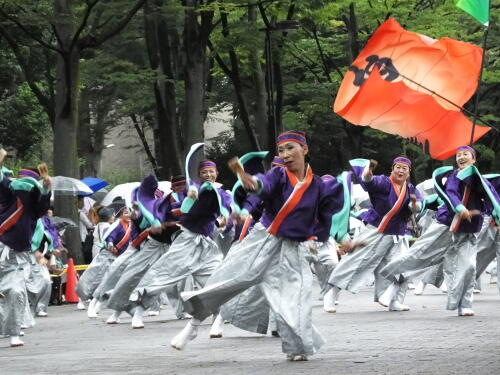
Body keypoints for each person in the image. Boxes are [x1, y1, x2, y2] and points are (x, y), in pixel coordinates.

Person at [171, 131, 346, 361]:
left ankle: (297, 347)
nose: (285, 154)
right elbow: (262, 185)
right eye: (281, 150)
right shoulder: (278, 175)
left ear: (305, 149)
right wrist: (252, 182)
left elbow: (325, 218)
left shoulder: (321, 186)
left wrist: (336, 240)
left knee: (295, 299)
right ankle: (193, 325)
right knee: (229, 278)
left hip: (293, 248)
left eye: (291, 148)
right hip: (263, 238)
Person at [380, 146, 500, 316]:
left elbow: (493, 197)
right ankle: (392, 282)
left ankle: (463, 304)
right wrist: (459, 207)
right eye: (459, 155)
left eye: (466, 154)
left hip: (468, 229)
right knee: (420, 254)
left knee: (469, 267)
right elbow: (451, 193)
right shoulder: (454, 176)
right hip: (445, 224)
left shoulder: (481, 180)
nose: (461, 157)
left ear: (474, 159)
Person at [128, 160, 231, 329]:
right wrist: (188, 199)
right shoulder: (191, 189)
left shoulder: (222, 193)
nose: (208, 175)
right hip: (186, 240)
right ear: (199, 175)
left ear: (217, 173)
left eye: (211, 172)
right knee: (163, 276)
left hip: (206, 245)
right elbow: (177, 208)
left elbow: (225, 208)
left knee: (215, 279)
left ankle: (217, 314)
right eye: (204, 172)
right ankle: (138, 311)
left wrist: (224, 219)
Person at [327, 157, 422, 312]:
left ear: (409, 172)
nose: (401, 170)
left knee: (404, 266)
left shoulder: (410, 189)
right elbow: (370, 182)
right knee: (355, 262)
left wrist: (413, 204)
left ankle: (395, 301)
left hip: (397, 234)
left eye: (404, 168)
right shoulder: (384, 182)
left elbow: (417, 208)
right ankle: (331, 294)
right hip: (375, 229)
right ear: (392, 169)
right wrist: (368, 174)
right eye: (398, 167)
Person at [0, 155, 52, 347]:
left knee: (15, 292)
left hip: (18, 257)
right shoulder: (7, 195)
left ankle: (14, 333)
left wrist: (46, 188)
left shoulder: (35, 208)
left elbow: (43, 205)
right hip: (0, 248)